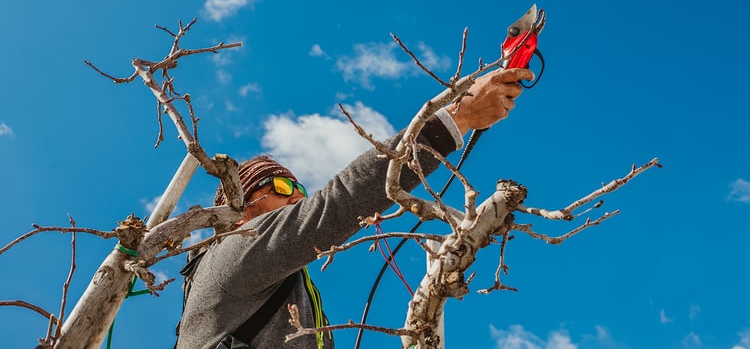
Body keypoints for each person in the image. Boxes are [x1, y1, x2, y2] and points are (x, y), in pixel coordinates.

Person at [175, 67, 535, 349]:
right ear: (239, 208)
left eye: (300, 189)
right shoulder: (232, 254)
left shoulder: (289, 294)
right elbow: (339, 202)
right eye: (281, 188)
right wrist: (458, 117)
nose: (297, 197)